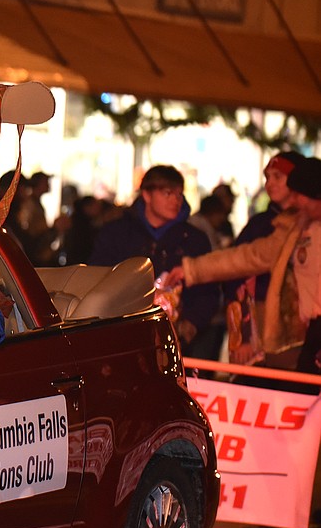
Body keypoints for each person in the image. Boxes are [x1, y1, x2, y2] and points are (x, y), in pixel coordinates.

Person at [167, 157, 321, 379]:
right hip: (299, 337)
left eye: (279, 178)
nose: (294, 199)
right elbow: (248, 257)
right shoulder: (292, 227)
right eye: (268, 177)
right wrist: (191, 269)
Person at [89, 164, 219, 355]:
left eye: (179, 194)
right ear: (147, 195)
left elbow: (208, 290)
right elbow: (97, 277)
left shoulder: (194, 239)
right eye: (167, 193)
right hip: (121, 339)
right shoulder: (117, 233)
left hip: (176, 341)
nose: (175, 200)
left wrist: (191, 323)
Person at [228, 151, 306, 361]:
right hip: (259, 329)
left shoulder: (312, 225)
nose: (269, 183)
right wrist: (243, 335)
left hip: (305, 328)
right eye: (267, 177)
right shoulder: (259, 225)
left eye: (277, 177)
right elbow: (235, 276)